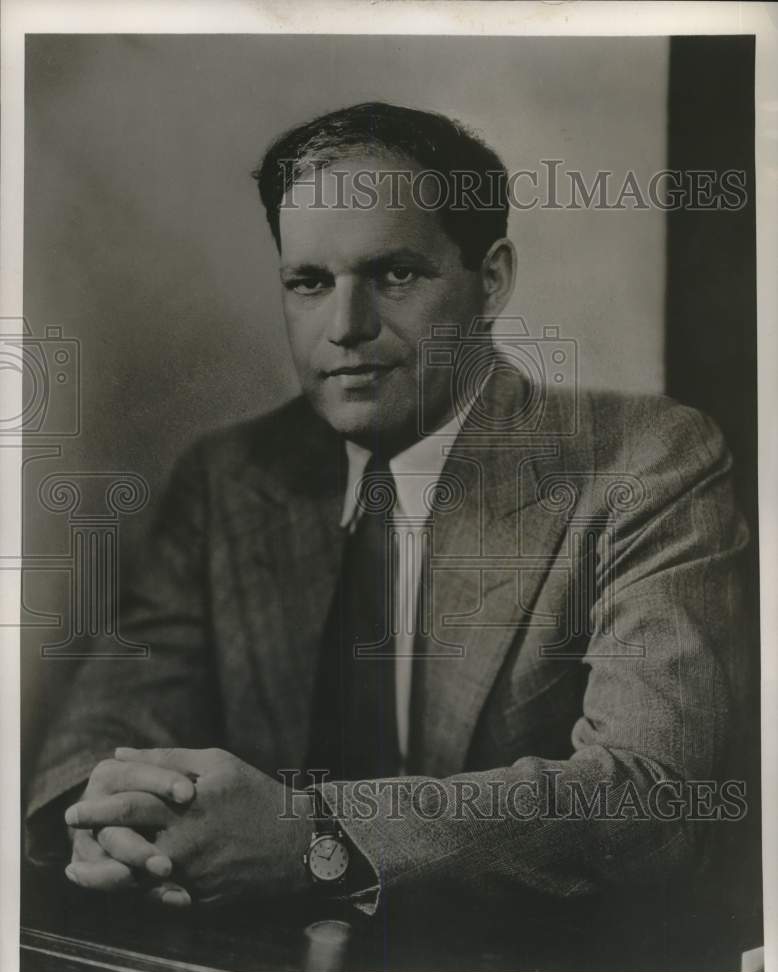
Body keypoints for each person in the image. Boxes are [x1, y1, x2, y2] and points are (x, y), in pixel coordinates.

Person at [25, 102, 749, 919]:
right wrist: (104, 820)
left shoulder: (647, 464)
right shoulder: (227, 478)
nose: (345, 327)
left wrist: (313, 840)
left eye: (394, 275)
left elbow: (651, 800)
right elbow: (97, 736)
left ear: (493, 280)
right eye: (308, 283)